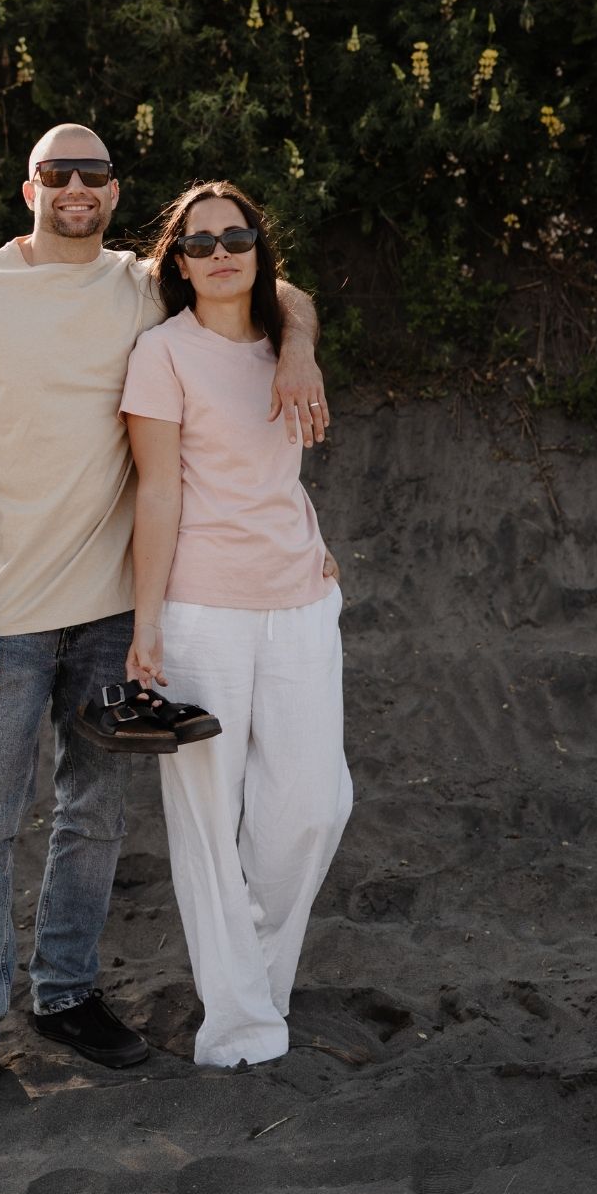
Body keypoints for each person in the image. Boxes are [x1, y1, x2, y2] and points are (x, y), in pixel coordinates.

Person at [0, 127, 330, 1117]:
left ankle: (66, 996)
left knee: (92, 814)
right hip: (3, 616)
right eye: (56, 173)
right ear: (29, 189)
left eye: (92, 174)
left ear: (112, 191)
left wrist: (300, 348)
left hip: (111, 610)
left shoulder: (140, 286)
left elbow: (278, 290)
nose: (75, 187)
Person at [121, 180, 352, 1069]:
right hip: (201, 609)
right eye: (199, 242)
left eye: (237, 237)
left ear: (259, 248)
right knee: (208, 824)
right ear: (178, 263)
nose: (220, 253)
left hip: (302, 599)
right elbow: (158, 492)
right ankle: (241, 1027)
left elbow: (298, 300)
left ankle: (249, 971)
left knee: (314, 807)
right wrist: (147, 625)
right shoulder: (162, 354)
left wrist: (299, 347)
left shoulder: (285, 343)